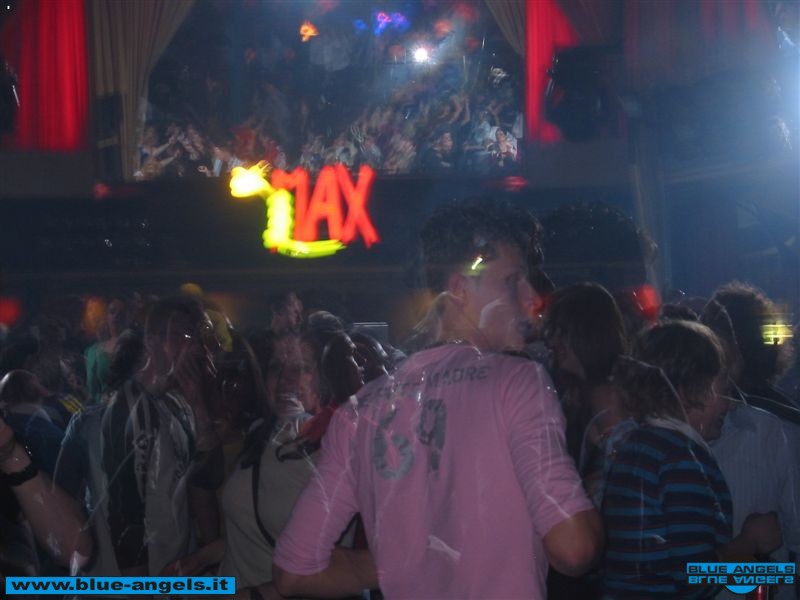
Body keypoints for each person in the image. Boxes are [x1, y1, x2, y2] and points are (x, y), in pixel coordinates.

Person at [272, 198, 603, 599]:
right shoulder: (518, 382)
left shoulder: (360, 411)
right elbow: (574, 549)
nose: (532, 297)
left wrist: (408, 560)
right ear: (460, 289)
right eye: (513, 280)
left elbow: (294, 572)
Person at [602, 320, 782, 599]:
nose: (729, 404)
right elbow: (694, 578)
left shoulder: (637, 446)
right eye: (723, 390)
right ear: (690, 390)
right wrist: (750, 542)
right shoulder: (681, 460)